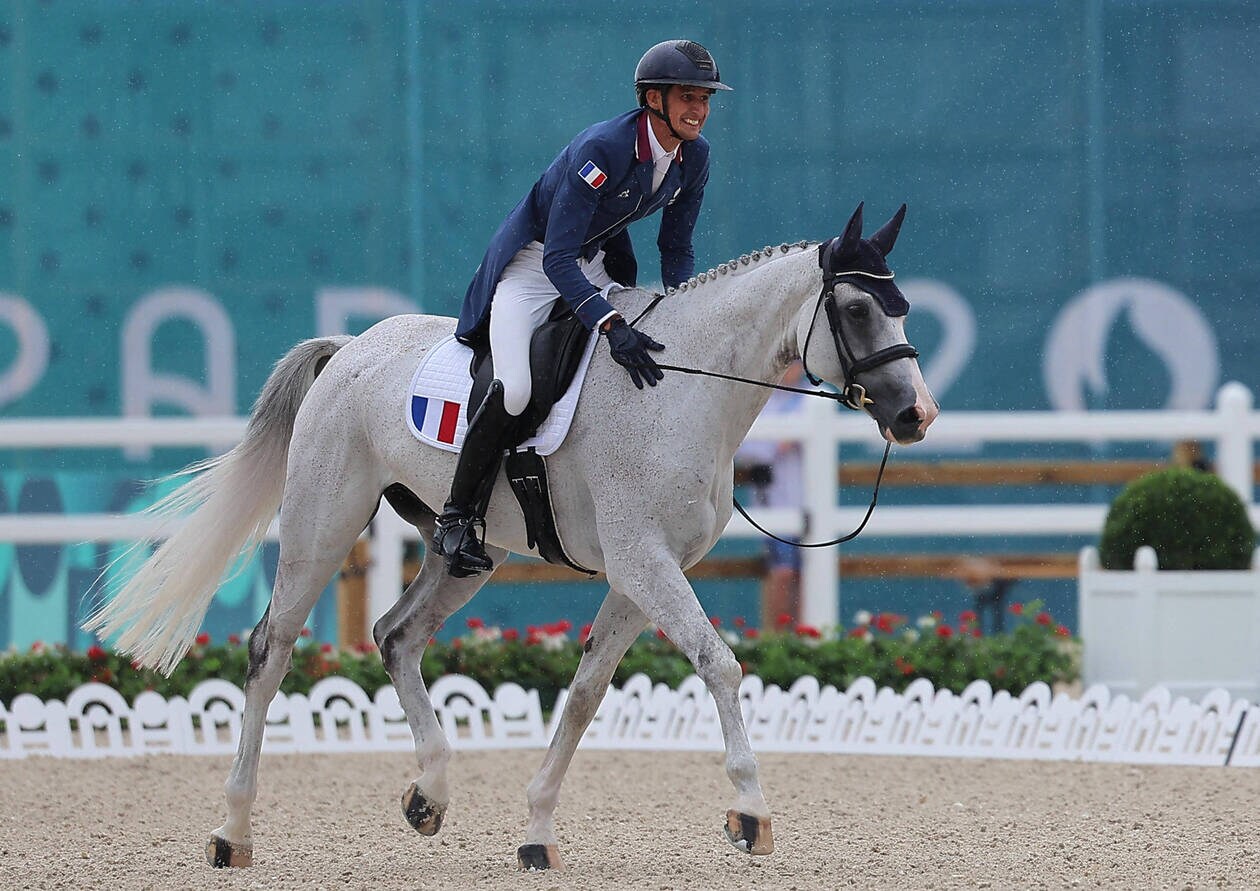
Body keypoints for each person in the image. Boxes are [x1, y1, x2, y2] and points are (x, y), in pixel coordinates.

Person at [433, 40, 733, 577]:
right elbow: (557, 257)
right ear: (653, 99)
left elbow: (676, 247)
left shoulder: (696, 156)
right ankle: (456, 517)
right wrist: (610, 323)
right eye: (688, 97)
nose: (699, 110)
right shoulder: (603, 149)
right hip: (533, 270)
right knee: (516, 389)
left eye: (705, 99)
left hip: (593, 265)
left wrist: (685, 309)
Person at [736, 362, 809, 628]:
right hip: (773, 502)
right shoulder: (761, 399)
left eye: (796, 363)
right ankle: (776, 638)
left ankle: (803, 637)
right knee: (782, 572)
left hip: (806, 500)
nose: (791, 369)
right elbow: (745, 448)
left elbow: (773, 444)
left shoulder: (812, 397)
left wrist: (768, 448)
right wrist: (770, 448)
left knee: (805, 575)